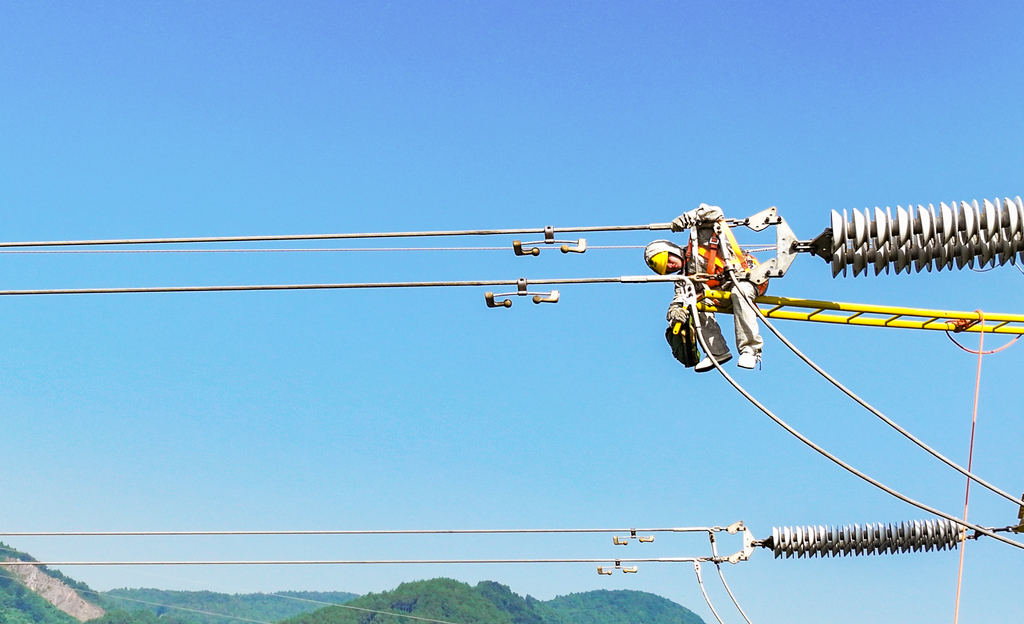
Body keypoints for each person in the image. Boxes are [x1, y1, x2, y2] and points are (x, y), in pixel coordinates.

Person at [644, 203, 764, 371]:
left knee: (740, 291)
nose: (669, 266)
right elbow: (679, 299)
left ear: (671, 250)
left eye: (665, 260)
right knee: (694, 304)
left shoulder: (699, 240)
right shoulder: (683, 279)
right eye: (663, 269)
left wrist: (688, 218)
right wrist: (675, 314)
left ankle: (750, 350)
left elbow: (715, 212)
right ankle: (717, 352)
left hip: (748, 278)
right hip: (723, 292)